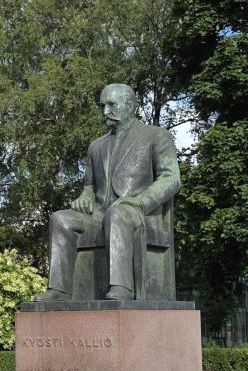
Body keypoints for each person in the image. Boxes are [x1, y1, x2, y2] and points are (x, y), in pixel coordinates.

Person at [35, 83, 180, 301]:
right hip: (99, 215)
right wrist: (84, 198)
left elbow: (171, 178)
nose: (105, 111)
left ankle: (122, 287)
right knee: (60, 219)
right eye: (103, 106)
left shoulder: (156, 136)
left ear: (130, 105)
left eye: (112, 105)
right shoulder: (96, 146)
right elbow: (90, 186)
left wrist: (140, 201)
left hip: (139, 213)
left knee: (117, 213)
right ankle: (60, 290)